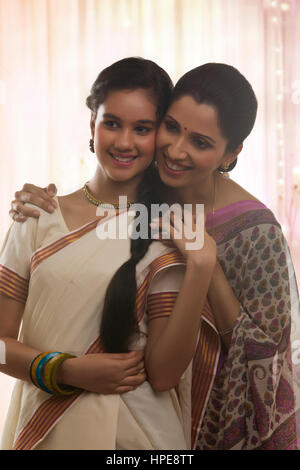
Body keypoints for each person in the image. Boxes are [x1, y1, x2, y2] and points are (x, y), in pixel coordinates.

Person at [7, 62, 300, 450]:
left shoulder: (221, 231)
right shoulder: (57, 215)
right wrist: (63, 369)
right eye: (172, 128)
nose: (175, 151)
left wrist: (203, 267)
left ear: (231, 152)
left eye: (200, 142)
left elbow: (266, 361)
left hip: (191, 430)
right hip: (63, 423)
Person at [0, 57, 217, 450]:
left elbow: (165, 375)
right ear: (91, 124)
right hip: (48, 431)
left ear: (159, 137)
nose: (123, 142)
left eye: (143, 129)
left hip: (144, 440)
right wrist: (66, 370)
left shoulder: (169, 232)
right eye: (112, 123)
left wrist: (201, 267)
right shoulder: (36, 217)